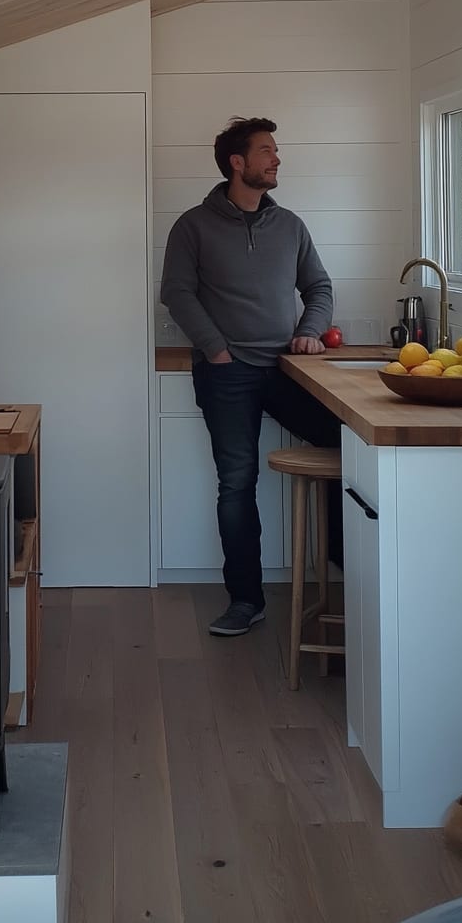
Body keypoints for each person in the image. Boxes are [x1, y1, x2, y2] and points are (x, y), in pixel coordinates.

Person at [160, 116, 342, 636]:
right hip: (228, 374)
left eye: (275, 150)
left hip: (288, 370)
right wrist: (215, 349)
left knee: (352, 451)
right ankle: (246, 601)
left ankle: (351, 571)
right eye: (267, 151)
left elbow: (319, 287)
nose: (276, 158)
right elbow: (177, 292)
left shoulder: (290, 226)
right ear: (238, 163)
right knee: (237, 483)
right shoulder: (192, 226)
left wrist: (310, 330)